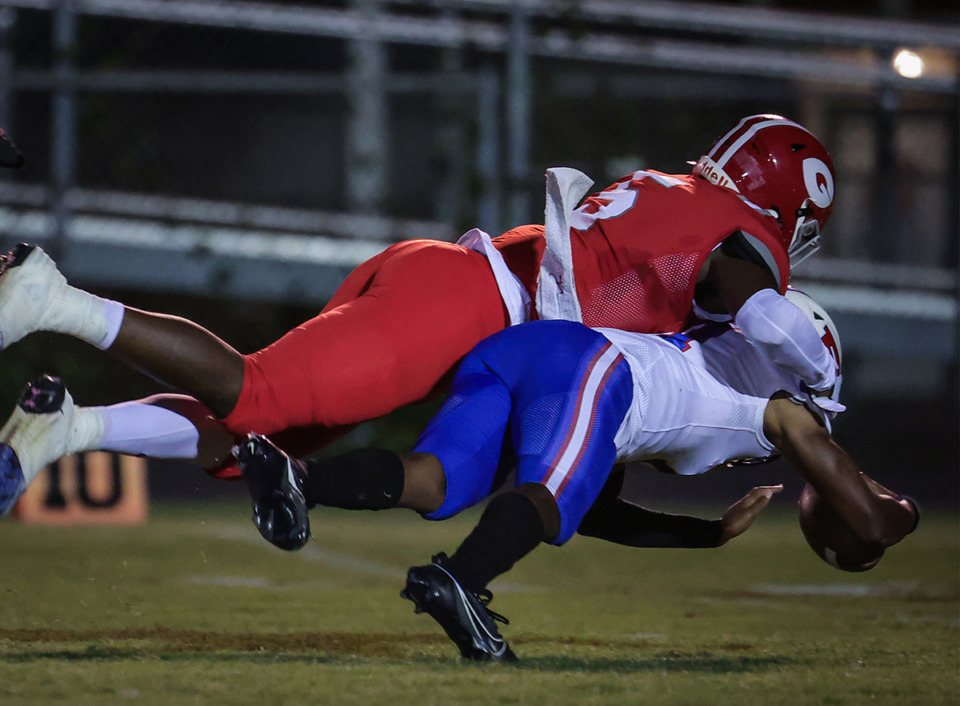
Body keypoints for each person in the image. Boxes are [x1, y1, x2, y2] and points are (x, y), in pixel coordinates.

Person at [0, 115, 839, 513]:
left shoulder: (682, 193)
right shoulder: (740, 236)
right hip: (467, 306)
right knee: (258, 394)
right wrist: (821, 378)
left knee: (262, 444)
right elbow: (767, 319)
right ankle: (55, 300)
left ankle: (66, 430)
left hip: (453, 284)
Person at [232, 289, 918, 662]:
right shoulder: (789, 412)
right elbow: (866, 523)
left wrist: (706, 537)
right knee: (547, 495)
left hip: (536, 353)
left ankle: (298, 479)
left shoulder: (715, 380)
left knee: (438, 481)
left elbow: (592, 510)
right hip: (593, 368)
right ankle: (462, 581)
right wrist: (900, 511)